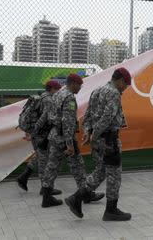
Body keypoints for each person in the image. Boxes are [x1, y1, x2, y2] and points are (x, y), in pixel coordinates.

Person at [64, 67, 132, 221]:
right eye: (126, 84)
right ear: (120, 80)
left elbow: (87, 115)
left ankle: (76, 198)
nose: (125, 88)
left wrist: (89, 132)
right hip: (109, 140)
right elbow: (108, 117)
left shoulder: (97, 90)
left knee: (101, 171)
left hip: (98, 141)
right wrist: (94, 135)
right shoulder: (114, 93)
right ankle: (111, 210)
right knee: (114, 174)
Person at [40, 73, 103, 208]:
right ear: (73, 83)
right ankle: (86, 194)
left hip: (55, 135)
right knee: (78, 166)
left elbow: (51, 116)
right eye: (79, 85)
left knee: (52, 166)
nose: (80, 88)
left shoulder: (57, 94)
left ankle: (46, 196)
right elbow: (67, 122)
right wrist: (69, 144)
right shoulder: (69, 98)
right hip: (65, 138)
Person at [16, 80, 62, 195]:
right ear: (52, 89)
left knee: (40, 155)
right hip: (40, 134)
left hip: (38, 133)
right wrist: (35, 131)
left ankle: (23, 177)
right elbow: (44, 118)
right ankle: (45, 188)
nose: (58, 92)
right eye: (57, 89)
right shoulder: (48, 100)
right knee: (43, 160)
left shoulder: (41, 97)